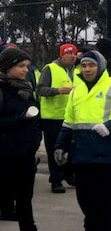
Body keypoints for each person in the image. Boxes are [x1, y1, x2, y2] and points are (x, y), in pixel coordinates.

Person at [55, 51, 111, 231]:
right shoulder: (77, 90)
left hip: (106, 151)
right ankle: (90, 230)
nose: (87, 69)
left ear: (100, 67)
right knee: (85, 195)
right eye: (83, 66)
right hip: (82, 150)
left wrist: (109, 127)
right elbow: (69, 121)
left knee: (104, 195)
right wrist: (60, 145)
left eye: (91, 66)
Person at [0, 47, 58, 231]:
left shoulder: (24, 89)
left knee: (25, 197)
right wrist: (23, 118)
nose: (26, 70)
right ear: (8, 67)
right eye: (20, 66)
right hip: (4, 154)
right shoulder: (2, 89)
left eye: (26, 65)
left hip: (24, 154)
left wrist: (34, 138)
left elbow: (34, 117)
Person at [36, 43, 78, 193]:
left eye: (74, 54)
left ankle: (68, 174)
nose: (72, 56)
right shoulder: (50, 69)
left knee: (70, 148)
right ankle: (56, 179)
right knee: (54, 149)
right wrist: (57, 90)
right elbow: (40, 89)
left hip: (70, 118)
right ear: (61, 55)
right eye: (69, 53)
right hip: (52, 117)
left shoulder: (76, 71)